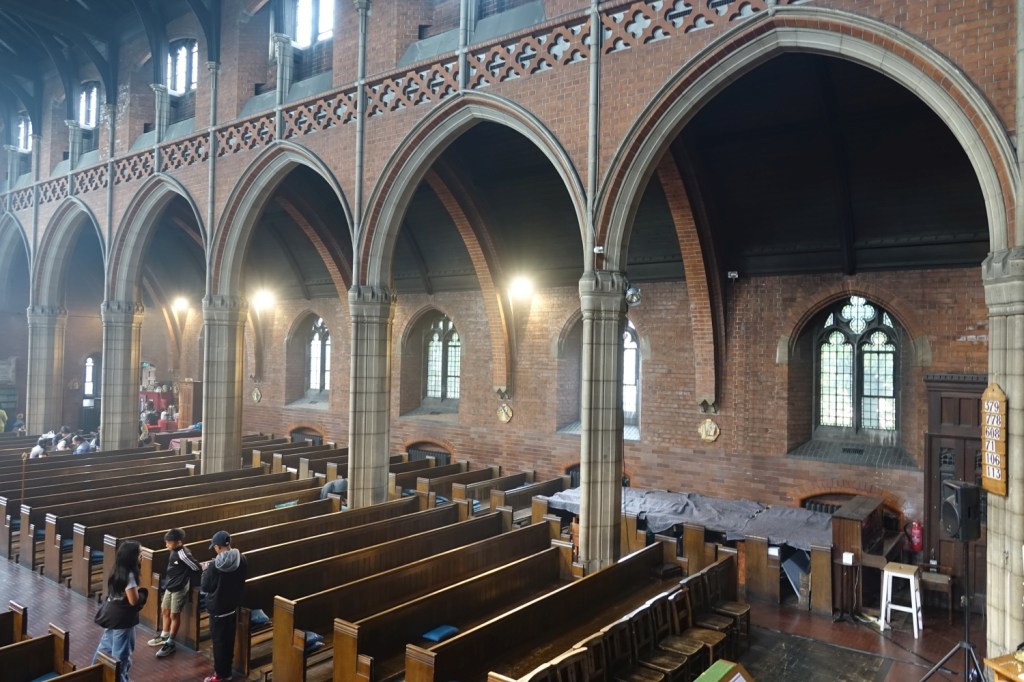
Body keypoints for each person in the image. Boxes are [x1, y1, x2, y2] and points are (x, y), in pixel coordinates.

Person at [93, 540, 147, 682]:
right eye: (140, 553)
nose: (142, 556)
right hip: (122, 620)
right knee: (120, 657)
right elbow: (133, 601)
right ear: (132, 557)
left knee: (105, 649)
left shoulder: (118, 569)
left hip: (112, 616)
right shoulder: (130, 575)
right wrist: (143, 594)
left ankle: (93, 674)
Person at [200, 530, 247, 682]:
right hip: (233, 605)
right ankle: (227, 670)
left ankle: (221, 675)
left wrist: (205, 570)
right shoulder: (241, 558)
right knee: (229, 639)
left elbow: (206, 587)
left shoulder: (214, 566)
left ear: (218, 547)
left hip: (218, 608)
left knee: (219, 643)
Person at [148, 528, 201, 658]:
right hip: (170, 585)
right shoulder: (173, 551)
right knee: (165, 610)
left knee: (174, 615)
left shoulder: (183, 554)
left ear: (179, 542)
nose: (166, 545)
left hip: (179, 587)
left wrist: (185, 578)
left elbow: (196, 567)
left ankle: (171, 643)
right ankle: (164, 636)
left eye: (169, 542)